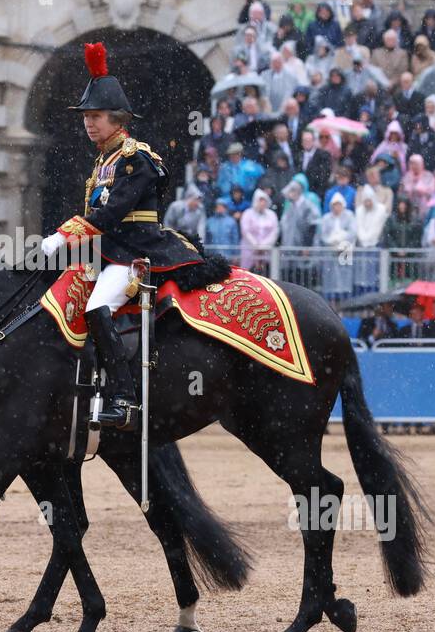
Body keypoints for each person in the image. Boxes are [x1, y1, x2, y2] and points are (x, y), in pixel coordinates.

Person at [40, 42, 206, 429]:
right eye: (86, 116)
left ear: (118, 120)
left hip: (136, 251)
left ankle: (124, 398)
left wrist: (64, 235)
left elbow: (112, 212)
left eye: (95, 116)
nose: (88, 123)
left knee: (97, 307)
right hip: (106, 251)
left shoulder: (136, 158)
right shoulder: (103, 160)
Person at [238, 188, 278, 272]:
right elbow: (245, 231)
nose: (262, 203)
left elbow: (274, 232)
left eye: (264, 200)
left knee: (267, 277)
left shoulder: (271, 214)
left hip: (266, 252)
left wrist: (264, 246)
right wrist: (255, 245)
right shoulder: (247, 213)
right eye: (260, 200)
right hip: (250, 251)